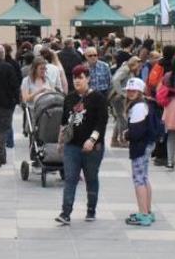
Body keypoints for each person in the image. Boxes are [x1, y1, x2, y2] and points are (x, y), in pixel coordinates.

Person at [56, 65, 109, 225]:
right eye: (74, 78)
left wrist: (92, 140)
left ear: (88, 78)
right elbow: (64, 121)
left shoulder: (98, 98)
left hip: (93, 147)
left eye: (80, 77)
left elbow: (102, 123)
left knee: (91, 177)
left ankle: (91, 209)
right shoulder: (69, 98)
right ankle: (65, 212)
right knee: (70, 178)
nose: (77, 80)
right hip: (72, 145)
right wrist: (61, 140)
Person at [123, 78, 156, 226]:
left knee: (139, 179)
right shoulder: (145, 104)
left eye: (133, 90)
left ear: (140, 91)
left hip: (140, 146)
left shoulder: (138, 107)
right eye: (129, 90)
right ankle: (147, 211)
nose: (130, 92)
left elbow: (136, 132)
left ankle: (143, 214)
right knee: (144, 177)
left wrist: (126, 135)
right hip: (147, 144)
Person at [110, 57, 142, 148]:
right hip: (118, 97)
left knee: (120, 118)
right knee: (123, 118)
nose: (138, 68)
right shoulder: (126, 70)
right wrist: (122, 93)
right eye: (137, 65)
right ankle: (123, 139)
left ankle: (114, 139)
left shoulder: (128, 70)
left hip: (119, 97)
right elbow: (115, 80)